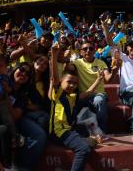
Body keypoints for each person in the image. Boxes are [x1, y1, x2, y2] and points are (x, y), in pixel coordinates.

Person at [49, 43, 101, 171]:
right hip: (59, 132)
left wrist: (98, 80)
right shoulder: (58, 93)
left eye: (75, 83)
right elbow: (55, 76)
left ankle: (89, 139)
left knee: (88, 130)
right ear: (61, 82)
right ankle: (88, 141)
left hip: (69, 128)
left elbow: (88, 93)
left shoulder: (72, 96)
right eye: (69, 82)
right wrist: (54, 55)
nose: (72, 85)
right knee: (83, 150)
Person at [65, 40, 118, 133]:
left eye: (91, 48)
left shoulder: (101, 63)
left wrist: (114, 71)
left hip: (98, 94)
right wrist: (65, 58)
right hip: (83, 95)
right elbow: (68, 68)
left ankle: (102, 131)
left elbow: (108, 79)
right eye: (85, 49)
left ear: (95, 51)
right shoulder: (77, 63)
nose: (88, 51)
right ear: (81, 51)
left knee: (99, 100)